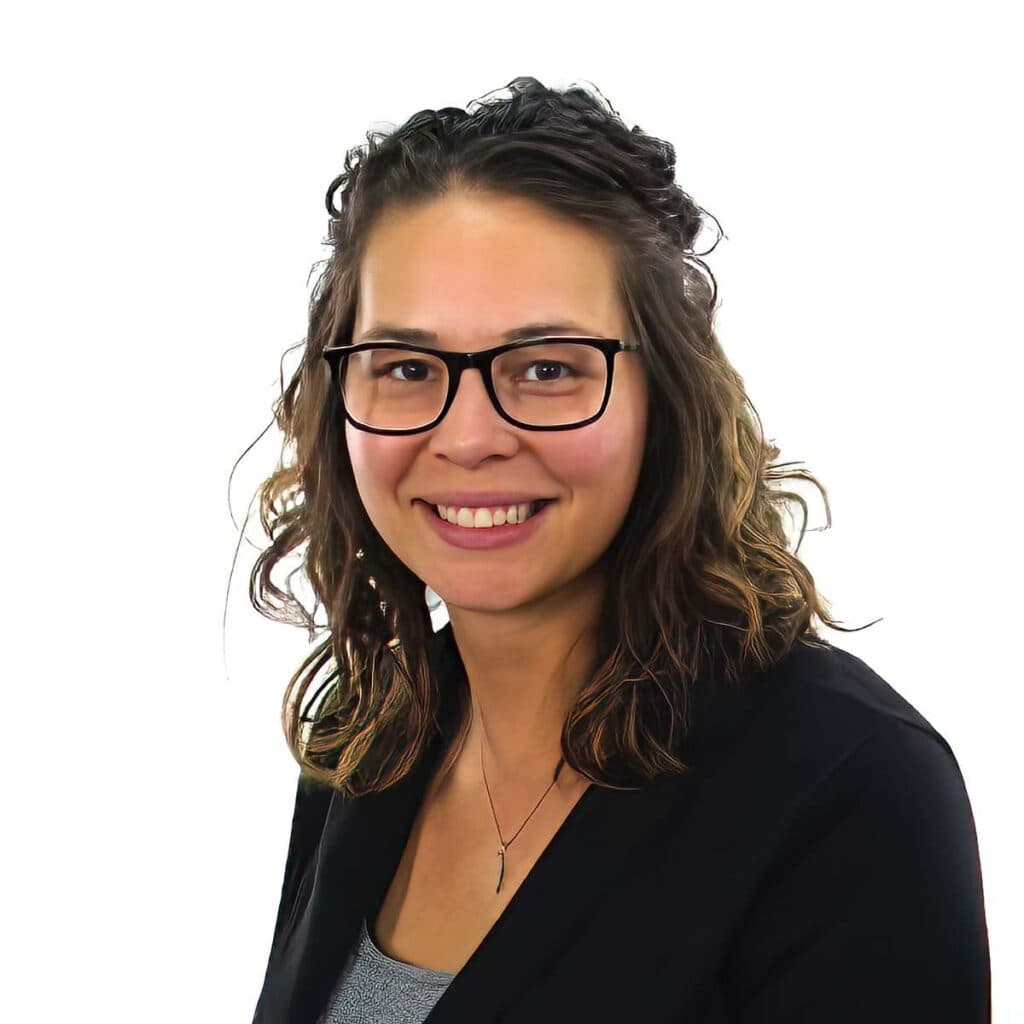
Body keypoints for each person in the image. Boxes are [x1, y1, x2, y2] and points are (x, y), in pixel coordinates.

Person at [248, 77, 990, 1023]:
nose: (468, 436)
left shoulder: (849, 788)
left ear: (665, 399)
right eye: (406, 367)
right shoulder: (373, 738)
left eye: (548, 367)